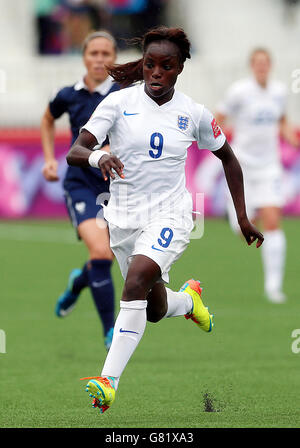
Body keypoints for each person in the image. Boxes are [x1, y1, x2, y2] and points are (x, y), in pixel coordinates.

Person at [66, 26, 264, 413]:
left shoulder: (193, 114)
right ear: (144, 67)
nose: (157, 73)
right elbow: (77, 149)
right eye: (151, 65)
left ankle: (108, 381)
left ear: (179, 69)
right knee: (153, 309)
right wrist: (98, 157)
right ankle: (187, 303)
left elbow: (229, 158)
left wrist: (241, 217)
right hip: (122, 220)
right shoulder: (118, 104)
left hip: (170, 215)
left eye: (166, 66)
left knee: (137, 280)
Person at [41, 30, 120, 351]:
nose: (100, 60)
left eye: (106, 54)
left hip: (118, 186)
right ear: (84, 57)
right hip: (80, 184)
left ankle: (78, 282)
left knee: (107, 257)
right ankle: (110, 331)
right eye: (94, 54)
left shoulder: (124, 93)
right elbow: (47, 120)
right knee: (101, 253)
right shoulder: (68, 94)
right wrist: (49, 159)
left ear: (114, 58)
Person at [215, 48, 300, 304]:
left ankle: (273, 287)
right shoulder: (239, 91)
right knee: (243, 228)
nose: (262, 67)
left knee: (273, 221)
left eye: (265, 63)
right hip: (241, 167)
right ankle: (240, 222)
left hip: (269, 167)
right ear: (252, 66)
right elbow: (216, 118)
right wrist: (220, 144)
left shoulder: (279, 92)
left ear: (270, 65)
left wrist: (293, 140)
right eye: (257, 63)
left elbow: (283, 122)